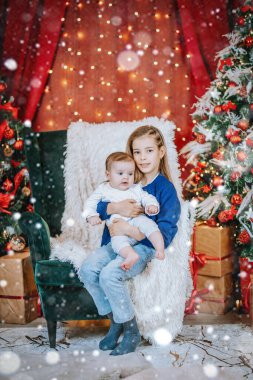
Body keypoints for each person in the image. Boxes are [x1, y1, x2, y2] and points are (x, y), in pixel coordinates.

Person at [79, 125, 181, 356]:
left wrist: (130, 229)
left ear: (161, 152)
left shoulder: (164, 189)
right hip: (114, 243)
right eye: (137, 152)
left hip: (142, 248)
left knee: (109, 274)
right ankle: (115, 320)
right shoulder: (123, 177)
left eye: (149, 151)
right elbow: (99, 205)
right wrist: (115, 207)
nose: (142, 158)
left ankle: (131, 330)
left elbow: (165, 232)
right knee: (87, 269)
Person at [82, 151, 165, 271]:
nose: (125, 177)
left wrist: (151, 206)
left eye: (130, 174)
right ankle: (130, 255)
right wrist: (92, 216)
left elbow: (147, 197)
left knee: (150, 226)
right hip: (117, 225)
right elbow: (90, 203)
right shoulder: (103, 189)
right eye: (120, 173)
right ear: (108, 175)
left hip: (137, 219)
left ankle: (160, 249)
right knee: (117, 243)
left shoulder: (135, 188)